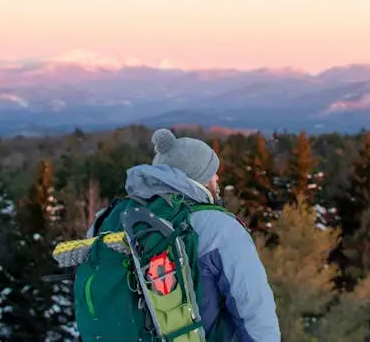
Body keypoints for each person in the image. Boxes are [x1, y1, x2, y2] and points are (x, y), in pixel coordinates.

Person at [87, 128, 281, 342]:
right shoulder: (220, 227)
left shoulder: (111, 219)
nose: (216, 177)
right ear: (198, 177)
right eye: (212, 172)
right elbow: (254, 308)